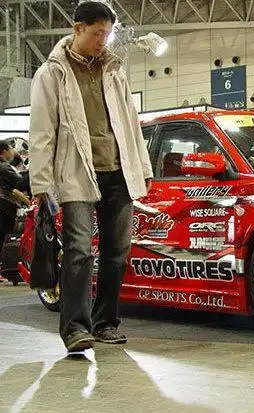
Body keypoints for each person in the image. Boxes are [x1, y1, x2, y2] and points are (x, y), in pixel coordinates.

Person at [28, 1, 153, 353]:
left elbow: (130, 124)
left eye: (107, 34)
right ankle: (75, 329)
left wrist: (143, 169)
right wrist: (42, 184)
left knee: (117, 253)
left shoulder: (114, 71)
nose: (103, 40)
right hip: (77, 173)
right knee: (79, 252)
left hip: (118, 171)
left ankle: (106, 323)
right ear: (78, 28)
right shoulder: (52, 73)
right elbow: (42, 133)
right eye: (98, 33)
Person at [0, 140, 30, 258]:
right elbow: (19, 181)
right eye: (11, 148)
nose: (13, 151)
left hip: (5, 205)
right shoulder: (3, 167)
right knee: (4, 235)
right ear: (4, 151)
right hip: (5, 206)